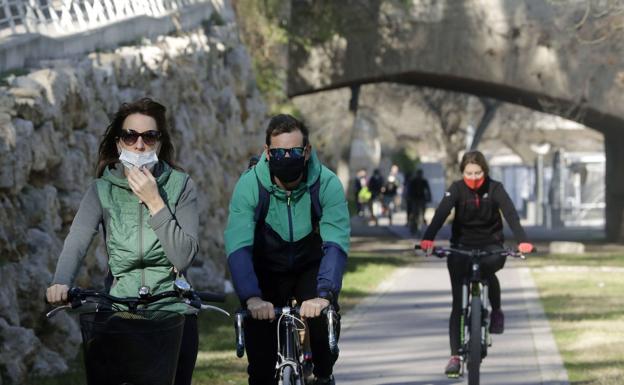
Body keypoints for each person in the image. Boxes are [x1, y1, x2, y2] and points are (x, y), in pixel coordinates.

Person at [45, 98, 200, 385]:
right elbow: (78, 238)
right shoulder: (102, 189)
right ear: (119, 144)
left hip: (172, 312)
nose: (139, 145)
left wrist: (155, 202)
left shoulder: (181, 185)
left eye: (149, 137)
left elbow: (183, 257)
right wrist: (60, 281)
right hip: (120, 308)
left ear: (160, 143)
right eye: (130, 136)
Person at [224, 114, 350, 385]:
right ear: (267, 152)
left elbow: (336, 243)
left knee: (323, 335)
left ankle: (324, 375)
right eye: (279, 152)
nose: (287, 157)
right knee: (260, 367)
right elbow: (238, 246)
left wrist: (325, 294)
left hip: (310, 266)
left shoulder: (326, 183)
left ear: (307, 152)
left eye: (294, 151)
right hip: (266, 269)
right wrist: (251, 297)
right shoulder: (250, 185)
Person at [418, 150, 534, 377]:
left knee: (488, 268)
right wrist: (428, 238)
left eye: (477, 173)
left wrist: (523, 241)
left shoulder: (495, 188)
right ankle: (454, 356)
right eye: (468, 173)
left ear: (485, 171)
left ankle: (496, 310)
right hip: (462, 245)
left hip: (491, 244)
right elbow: (442, 212)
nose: (473, 177)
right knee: (457, 305)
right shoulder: (457, 189)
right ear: (462, 172)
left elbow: (510, 214)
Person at [407, 169, 431, 235]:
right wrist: (409, 197)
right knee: (414, 213)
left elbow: (428, 190)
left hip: (422, 199)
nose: (419, 176)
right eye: (418, 174)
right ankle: (413, 227)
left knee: (421, 214)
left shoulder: (424, 181)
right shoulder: (413, 181)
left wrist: (429, 197)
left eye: (420, 174)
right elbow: (410, 191)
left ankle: (418, 228)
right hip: (414, 199)